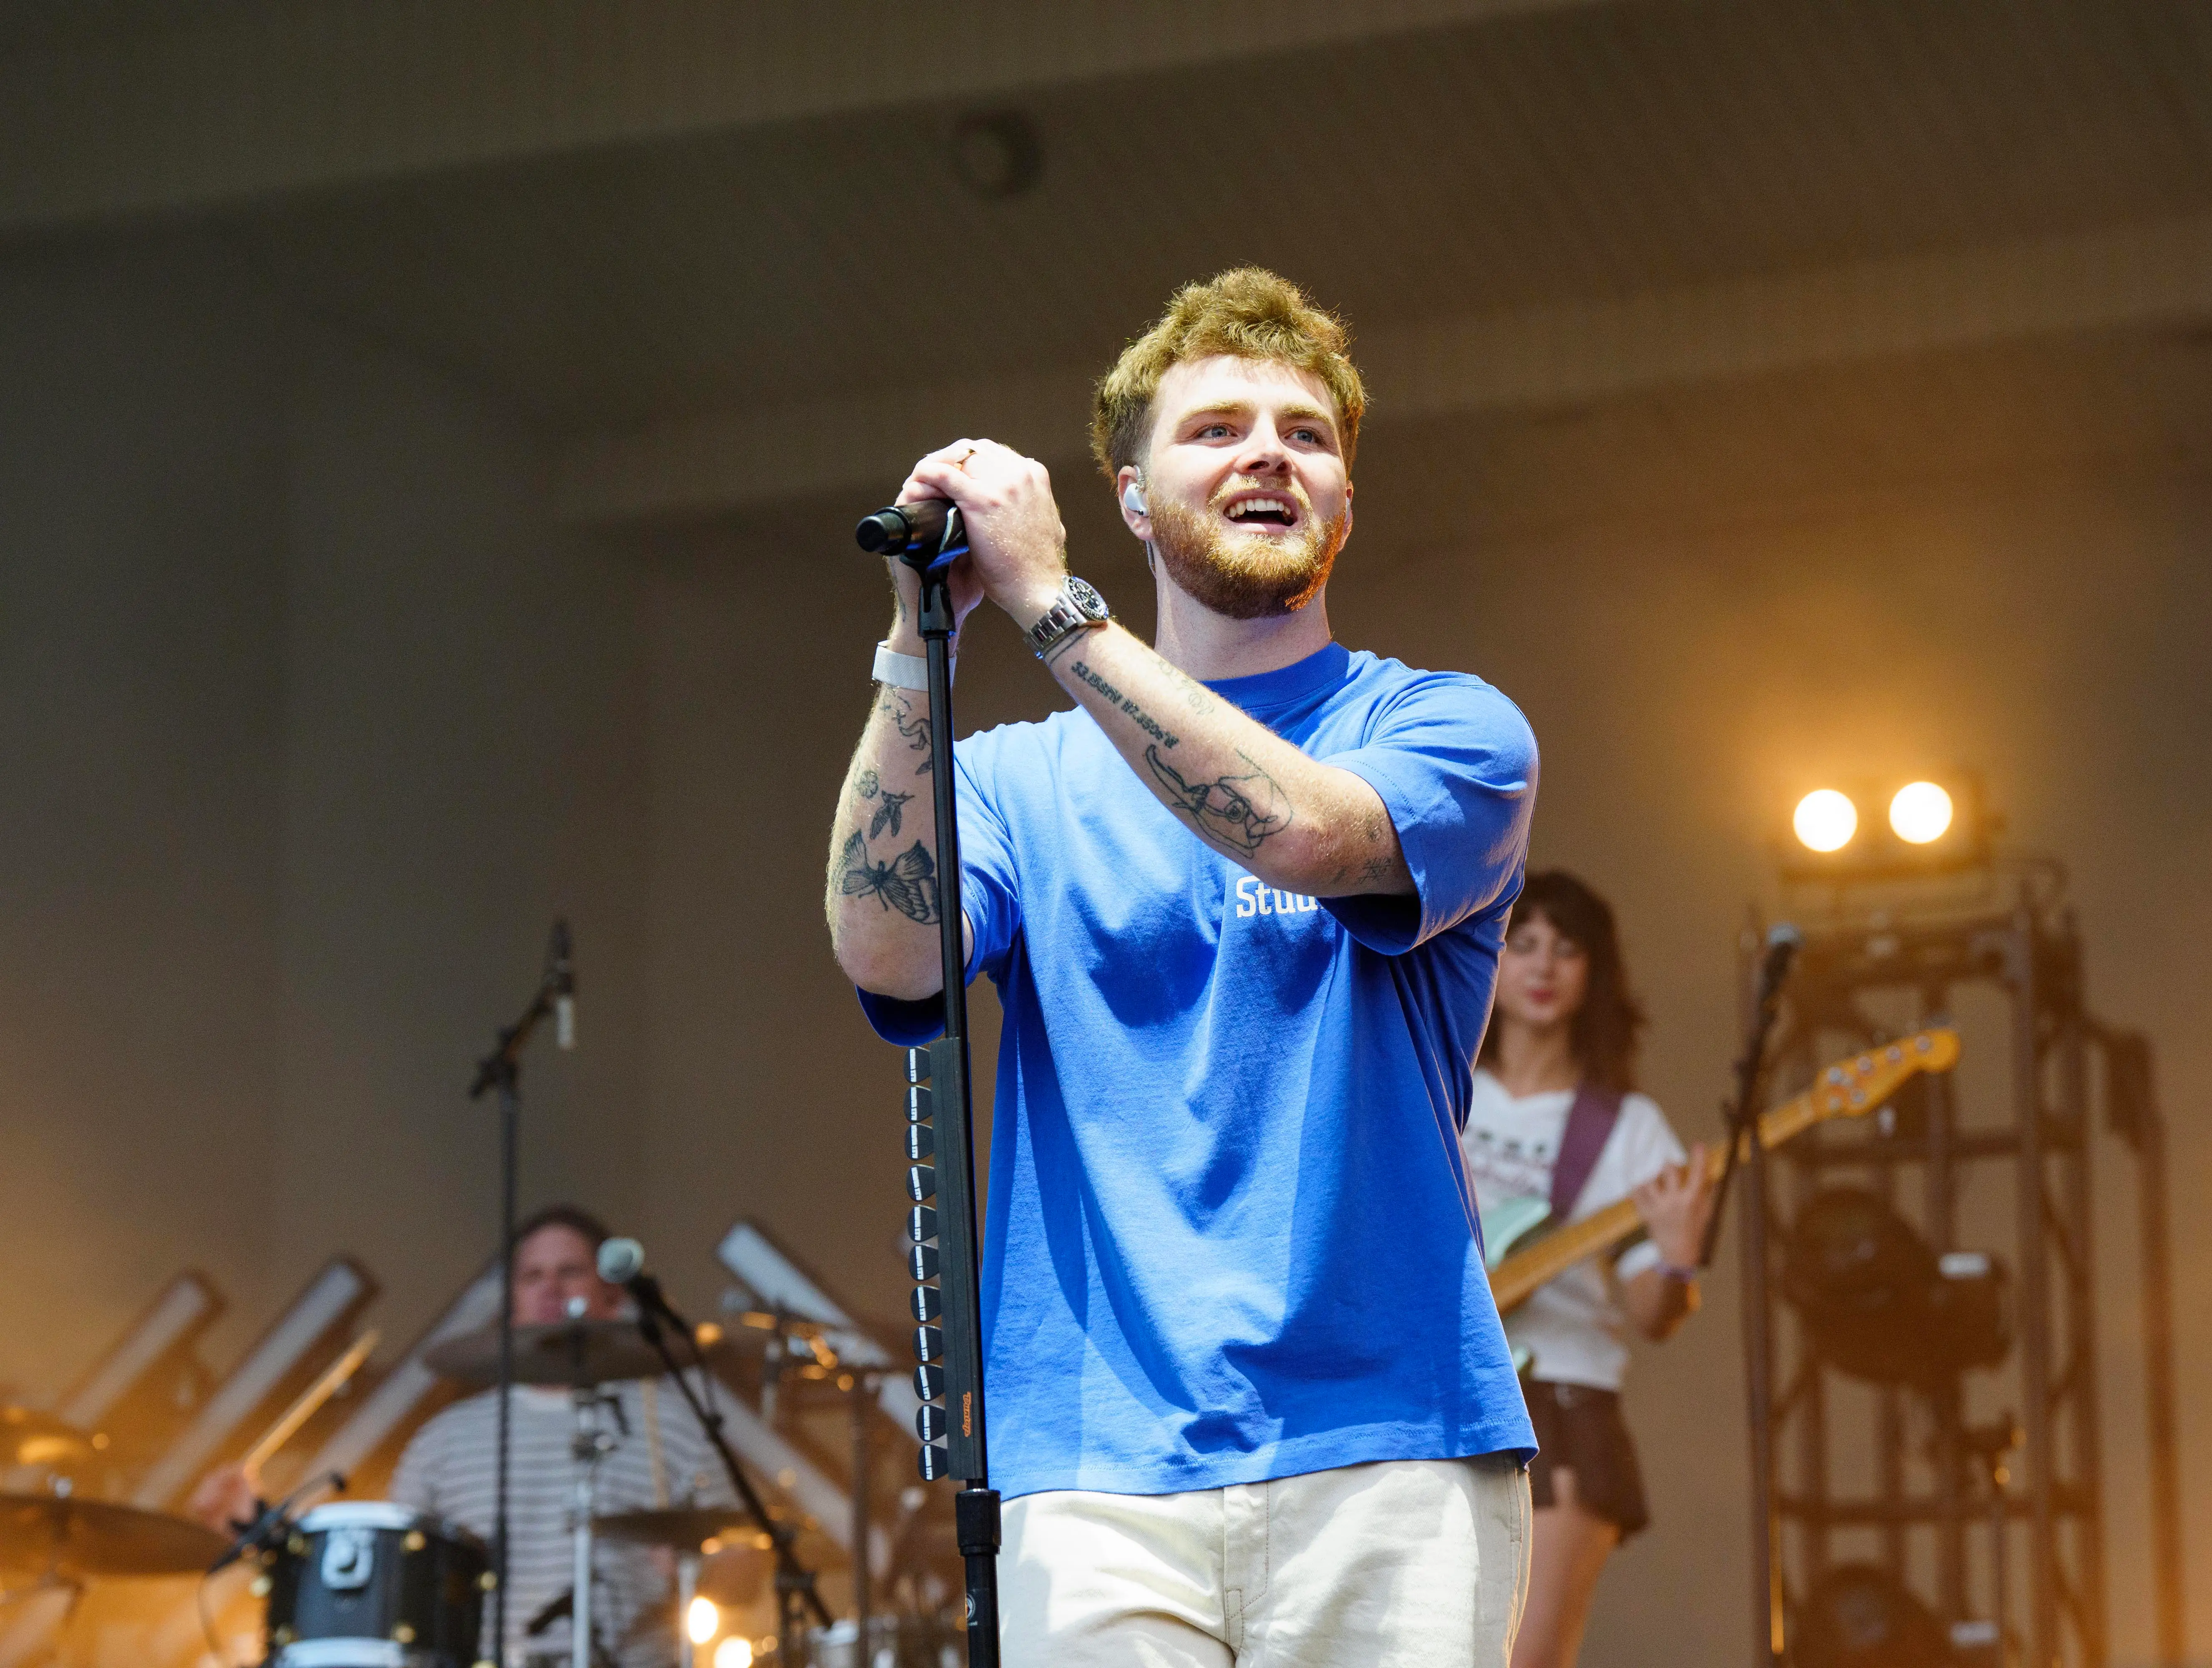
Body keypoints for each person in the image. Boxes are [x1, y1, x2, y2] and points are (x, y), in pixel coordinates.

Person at [827, 267, 1540, 1665]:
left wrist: (1052, 605)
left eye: (1306, 435)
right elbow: (889, 950)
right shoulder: (1016, 780)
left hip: (1392, 1447)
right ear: (1134, 500)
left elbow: (1300, 833)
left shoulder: (1449, 729)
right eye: (1217, 430)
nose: (1269, 454)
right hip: (1092, 1469)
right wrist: (917, 645)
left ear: (1344, 505)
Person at [191, 1205, 734, 1668]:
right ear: (512, 1299)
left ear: (611, 1294)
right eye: (532, 1276)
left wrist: (706, 1567)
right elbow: (394, 1583)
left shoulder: (672, 1423)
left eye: (570, 1272)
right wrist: (262, 1527)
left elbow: (744, 1569)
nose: (550, 1289)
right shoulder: (444, 1441)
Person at [1466, 871, 1712, 1668]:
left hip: (1563, 1407)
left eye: (1567, 950)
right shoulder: (1442, 1080)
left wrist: (1678, 1260)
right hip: (1434, 1395)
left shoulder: (1629, 1129)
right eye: (1525, 944)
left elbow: (1653, 1315)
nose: (1543, 966)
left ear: (1594, 973)